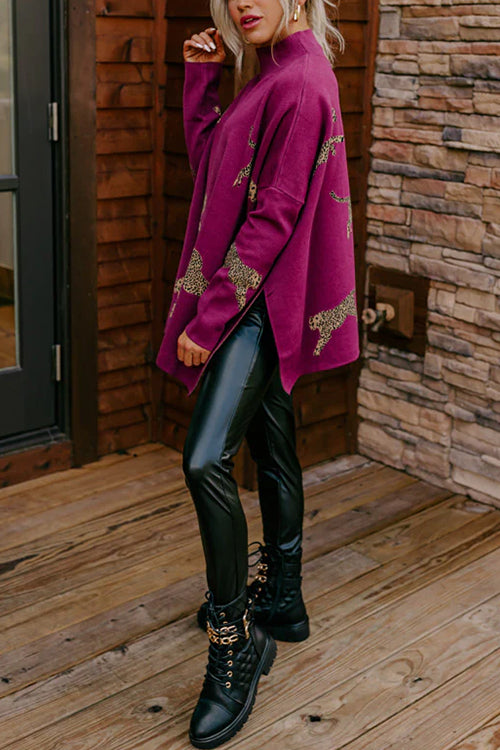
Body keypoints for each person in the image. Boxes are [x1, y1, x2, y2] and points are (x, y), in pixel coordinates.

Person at [155, 0, 360, 746]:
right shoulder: (272, 72)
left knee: (205, 461)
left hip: (255, 303)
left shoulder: (300, 80)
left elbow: (273, 215)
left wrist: (208, 321)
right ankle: (284, 598)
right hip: (265, 297)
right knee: (272, 443)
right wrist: (202, 81)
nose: (245, 1)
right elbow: (216, 169)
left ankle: (235, 644)